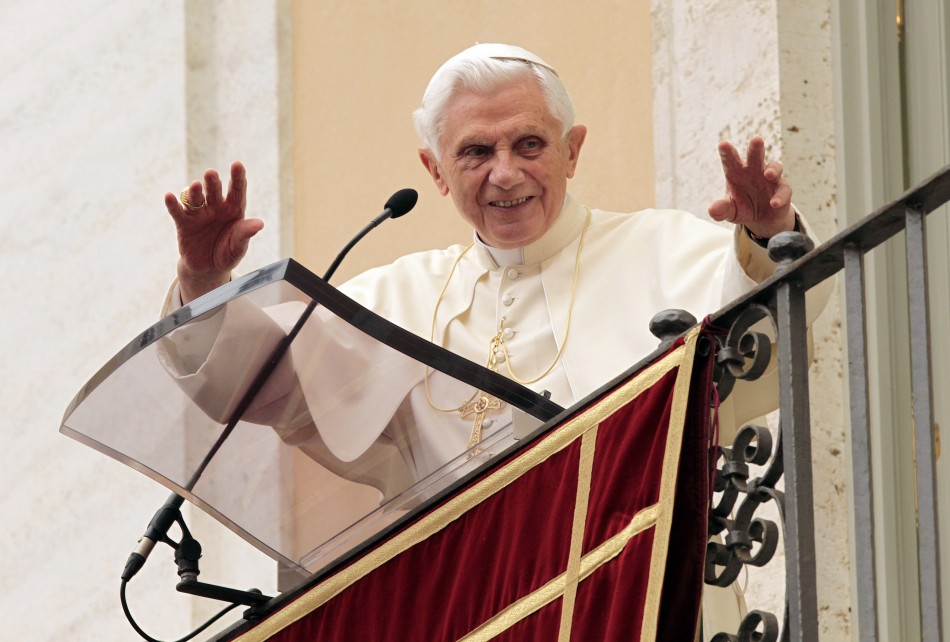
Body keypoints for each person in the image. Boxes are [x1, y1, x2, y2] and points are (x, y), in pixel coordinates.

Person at [161, 43, 828, 641]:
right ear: (435, 170)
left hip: (636, 604)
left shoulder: (660, 248)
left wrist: (764, 239)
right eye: (476, 153)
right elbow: (264, 380)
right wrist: (204, 281)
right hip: (470, 617)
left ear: (573, 150)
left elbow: (759, 333)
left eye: (529, 145)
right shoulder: (401, 295)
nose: (505, 174)